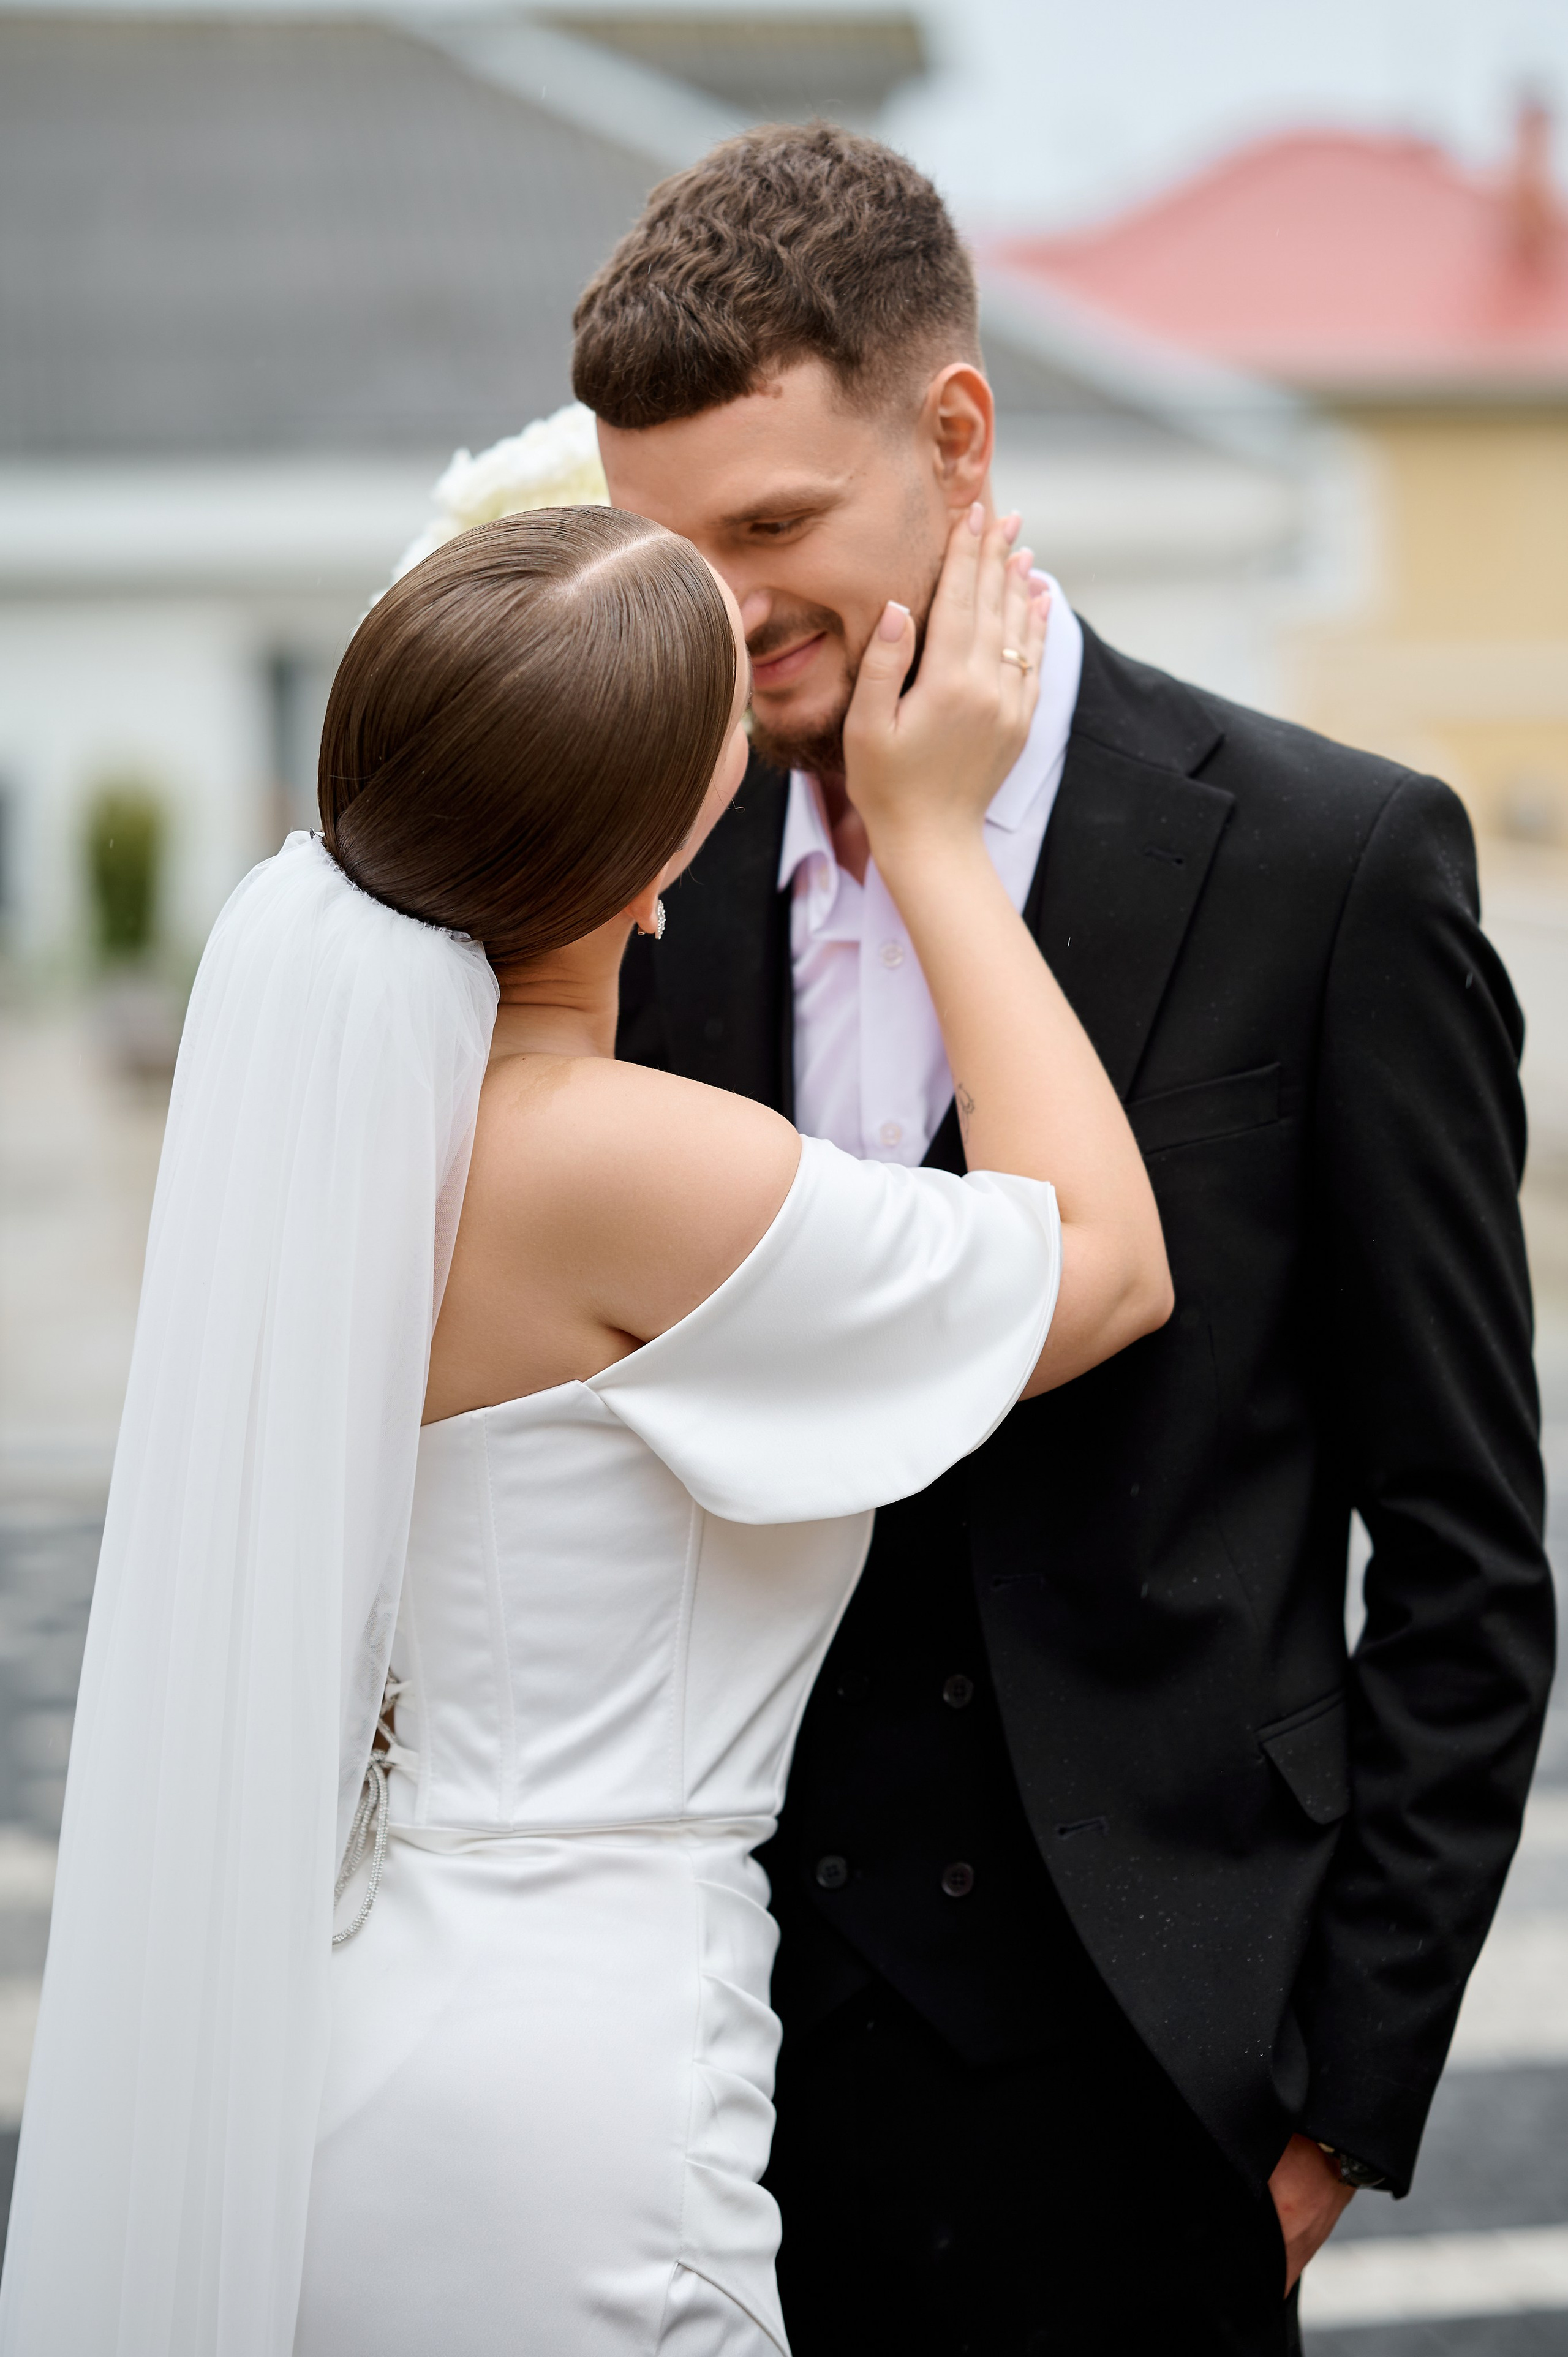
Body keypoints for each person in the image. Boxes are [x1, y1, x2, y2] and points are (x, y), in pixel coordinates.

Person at [573, 123, 1556, 2356]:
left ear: (956, 433)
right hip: (708, 2058)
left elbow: (1470, 1561)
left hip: (1152, 2063)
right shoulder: (635, 879)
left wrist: (1330, 2106)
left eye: (771, 527)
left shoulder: (1331, 867)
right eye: (661, 550)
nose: (719, 613)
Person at [0, 505, 1169, 2356]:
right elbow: (1102, 1266)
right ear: (655, 865)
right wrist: (936, 834)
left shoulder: (356, 1140)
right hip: (576, 2086)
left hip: (362, 2023)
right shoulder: (622, 1161)